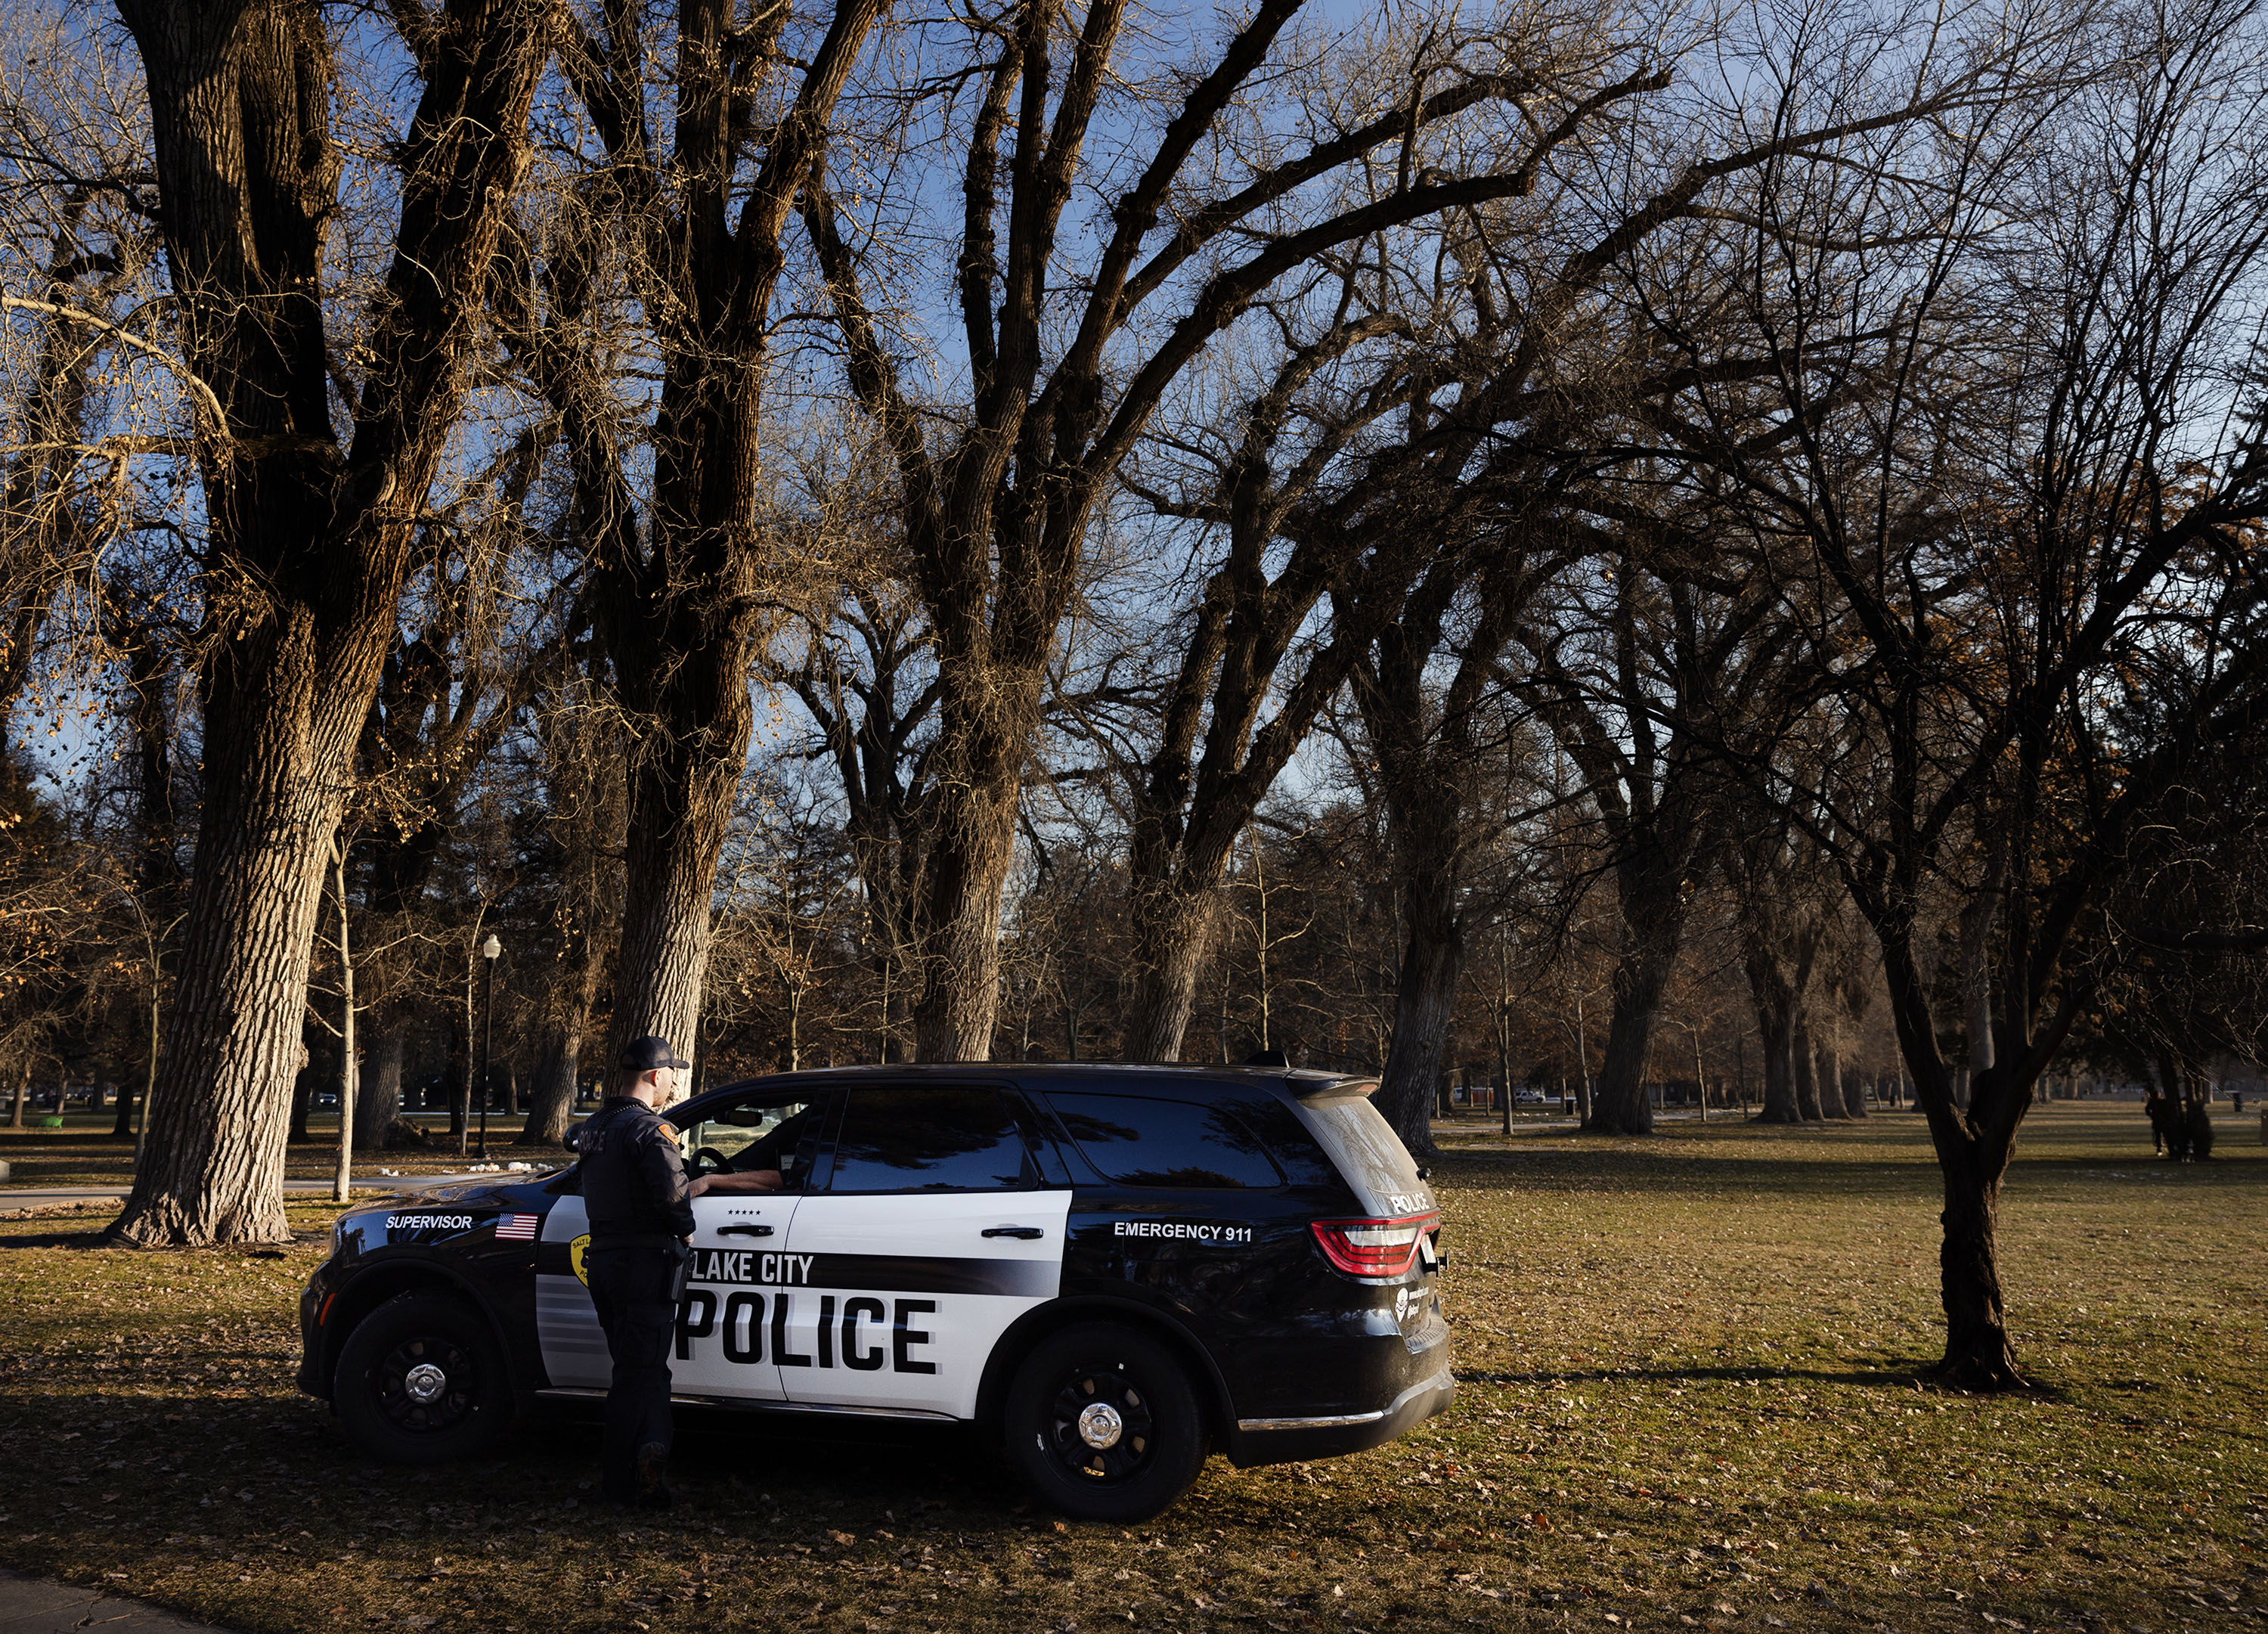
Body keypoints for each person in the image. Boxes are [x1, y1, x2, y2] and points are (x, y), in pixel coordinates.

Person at [576, 1034, 701, 1508]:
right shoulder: (652, 1131)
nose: (674, 1082)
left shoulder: (594, 1128)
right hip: (645, 1263)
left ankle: (653, 1459)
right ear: (655, 1076)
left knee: (644, 1369)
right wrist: (685, 1228)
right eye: (673, 1074)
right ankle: (621, 1486)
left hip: (605, 1260)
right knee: (635, 1374)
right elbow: (672, 1194)